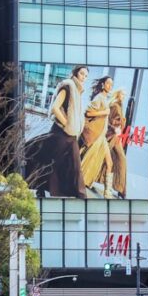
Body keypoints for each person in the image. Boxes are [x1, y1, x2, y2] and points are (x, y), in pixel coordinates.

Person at [33, 66, 89, 198]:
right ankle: (43, 190)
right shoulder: (68, 86)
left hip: (71, 135)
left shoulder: (78, 91)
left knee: (74, 165)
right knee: (54, 163)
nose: (84, 77)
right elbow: (55, 108)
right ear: (75, 74)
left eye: (86, 76)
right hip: (61, 133)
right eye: (82, 74)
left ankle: (80, 195)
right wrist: (66, 123)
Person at [106, 90, 128, 198]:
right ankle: (121, 190)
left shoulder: (118, 106)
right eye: (122, 94)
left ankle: (121, 189)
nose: (124, 96)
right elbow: (109, 120)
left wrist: (122, 121)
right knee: (121, 159)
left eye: (125, 95)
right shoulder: (115, 105)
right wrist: (119, 123)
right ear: (118, 94)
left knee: (118, 159)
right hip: (112, 135)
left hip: (115, 136)